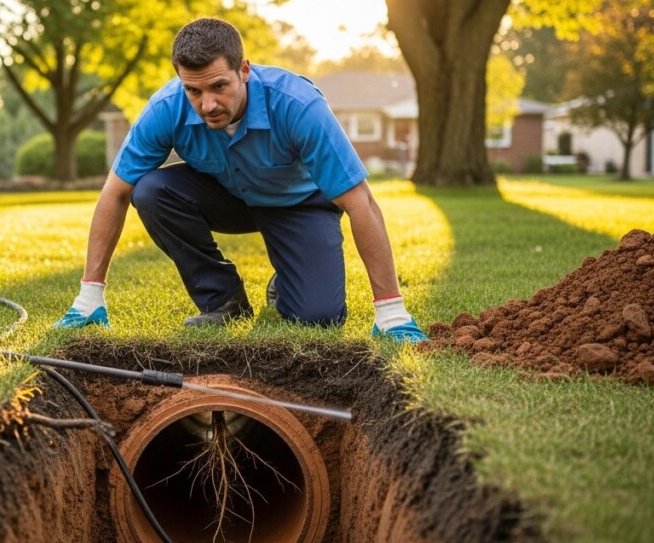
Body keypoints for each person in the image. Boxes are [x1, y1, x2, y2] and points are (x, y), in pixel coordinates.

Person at [55, 17, 426, 342]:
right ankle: (224, 300)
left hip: (297, 205)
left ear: (244, 70)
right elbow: (115, 193)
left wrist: (391, 312)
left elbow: (360, 202)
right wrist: (90, 297)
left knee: (319, 318)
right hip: (228, 198)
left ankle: (288, 281)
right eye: (194, 90)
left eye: (219, 86)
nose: (207, 105)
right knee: (150, 190)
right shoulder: (165, 109)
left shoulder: (298, 106)